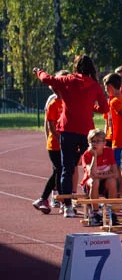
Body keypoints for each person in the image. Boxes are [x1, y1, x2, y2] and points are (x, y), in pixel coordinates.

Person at [35, 56, 107, 217]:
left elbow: (47, 79)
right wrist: (90, 106)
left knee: (66, 169)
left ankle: (67, 206)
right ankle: (90, 195)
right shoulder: (94, 85)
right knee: (87, 162)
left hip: (67, 130)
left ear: (76, 67)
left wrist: (38, 71)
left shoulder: (68, 80)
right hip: (86, 131)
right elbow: (104, 107)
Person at [32, 84, 65, 214]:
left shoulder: (68, 103)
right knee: (59, 170)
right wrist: (60, 140)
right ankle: (54, 199)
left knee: (61, 170)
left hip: (66, 143)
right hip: (55, 144)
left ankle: (47, 199)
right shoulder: (53, 104)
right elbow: (50, 126)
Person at [80, 128, 118, 225]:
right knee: (95, 181)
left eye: (98, 141)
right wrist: (94, 156)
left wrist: (100, 175)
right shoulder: (87, 155)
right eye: (93, 141)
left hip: (105, 182)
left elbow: (115, 173)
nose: (95, 144)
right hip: (90, 184)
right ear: (89, 143)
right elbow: (91, 174)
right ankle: (95, 212)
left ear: (104, 143)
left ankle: (112, 212)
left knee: (112, 181)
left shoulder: (109, 152)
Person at [103, 72, 122, 169]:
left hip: (120, 140)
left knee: (117, 168)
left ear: (109, 86)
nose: (105, 90)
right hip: (120, 140)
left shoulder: (114, 101)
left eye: (105, 87)